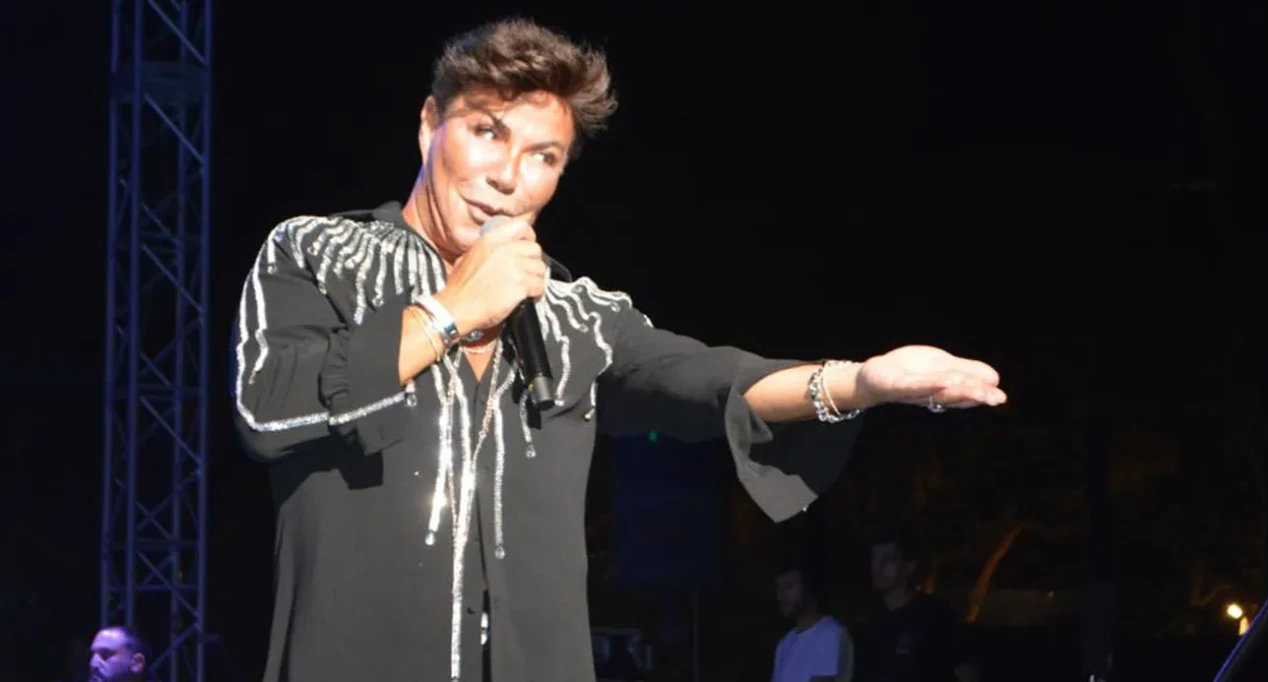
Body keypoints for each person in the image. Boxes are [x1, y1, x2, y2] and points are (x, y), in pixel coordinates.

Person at [231, 17, 1007, 682]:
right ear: (431, 125)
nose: (508, 176)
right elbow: (268, 408)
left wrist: (860, 382)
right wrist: (450, 310)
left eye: (544, 156)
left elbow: (703, 380)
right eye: (487, 132)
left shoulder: (572, 315)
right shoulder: (316, 255)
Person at [860, 535, 979, 682]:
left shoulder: (936, 615)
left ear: (909, 567)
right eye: (874, 559)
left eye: (887, 560)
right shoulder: (873, 622)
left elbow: (967, 673)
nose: (877, 568)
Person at [772, 563, 855, 682]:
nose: (781, 596)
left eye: (789, 586)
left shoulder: (829, 634)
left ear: (808, 587)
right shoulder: (786, 642)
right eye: (778, 588)